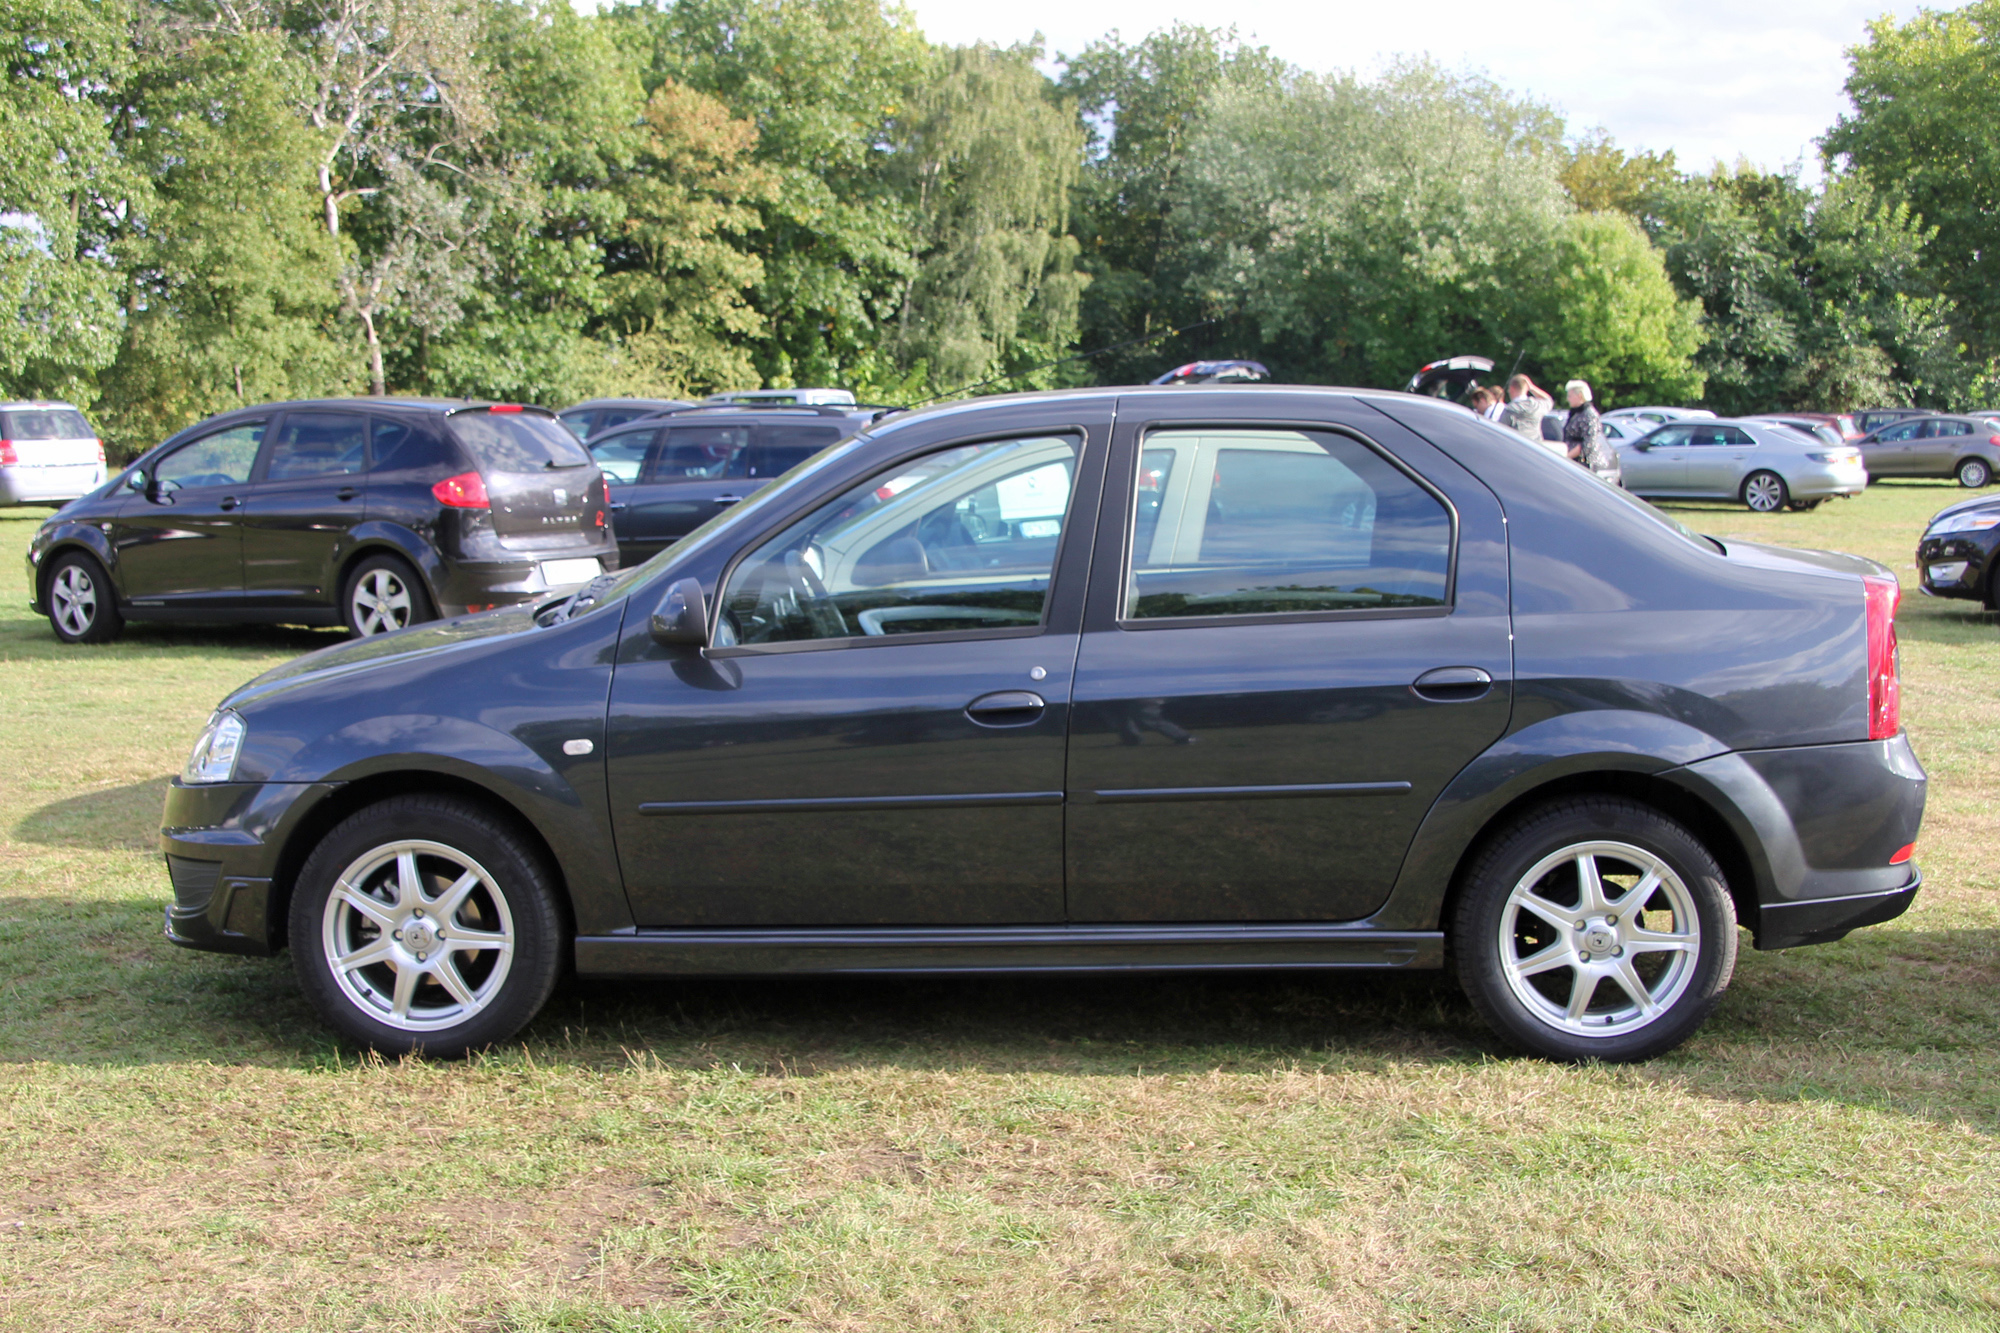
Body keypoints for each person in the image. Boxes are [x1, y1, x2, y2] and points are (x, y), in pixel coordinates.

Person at [1561, 379, 1618, 483]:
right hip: (1574, 461)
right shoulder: (1576, 413)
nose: (1567, 399)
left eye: (1570, 396)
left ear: (1580, 396)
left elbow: (1588, 443)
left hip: (1585, 464)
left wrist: (1566, 457)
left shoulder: (1589, 414)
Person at [1501, 374, 1555, 445]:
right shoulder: (1537, 406)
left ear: (1511, 389)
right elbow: (1548, 400)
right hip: (1535, 447)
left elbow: (1500, 430)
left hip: (1515, 447)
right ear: (1526, 388)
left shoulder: (1510, 409)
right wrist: (1532, 387)